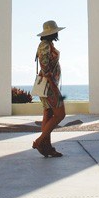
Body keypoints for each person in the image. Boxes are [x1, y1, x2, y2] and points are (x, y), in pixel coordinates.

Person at [32, 20, 66, 158]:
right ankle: (40, 142)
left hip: (48, 84)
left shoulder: (47, 44)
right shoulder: (45, 46)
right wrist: (53, 86)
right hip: (49, 85)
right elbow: (45, 67)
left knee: (48, 114)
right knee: (60, 114)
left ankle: (47, 147)